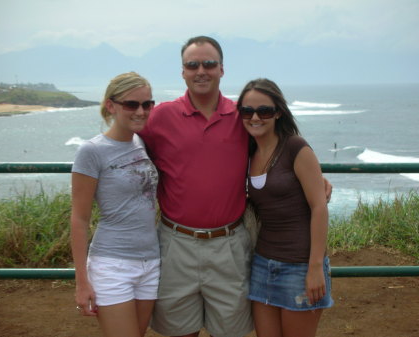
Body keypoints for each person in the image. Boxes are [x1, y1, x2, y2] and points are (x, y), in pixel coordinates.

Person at [140, 36, 332, 337]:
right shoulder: (160, 117)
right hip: (175, 243)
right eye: (192, 64)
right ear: (182, 72)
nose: (201, 70)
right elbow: (128, 148)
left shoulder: (241, 117)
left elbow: (276, 149)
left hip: (228, 244)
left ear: (221, 69)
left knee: (230, 332)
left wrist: (312, 178)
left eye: (209, 63)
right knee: (179, 332)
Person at [237, 78, 334, 337]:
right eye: (247, 111)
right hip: (262, 264)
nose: (255, 117)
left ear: (278, 112)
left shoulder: (294, 147)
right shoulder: (247, 152)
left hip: (300, 266)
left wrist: (315, 268)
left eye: (264, 111)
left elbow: (319, 208)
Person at [70, 72, 160, 337]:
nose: (141, 111)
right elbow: (79, 219)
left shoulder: (140, 142)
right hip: (113, 264)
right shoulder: (92, 151)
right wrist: (81, 282)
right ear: (111, 105)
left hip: (151, 261)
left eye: (147, 104)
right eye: (131, 104)